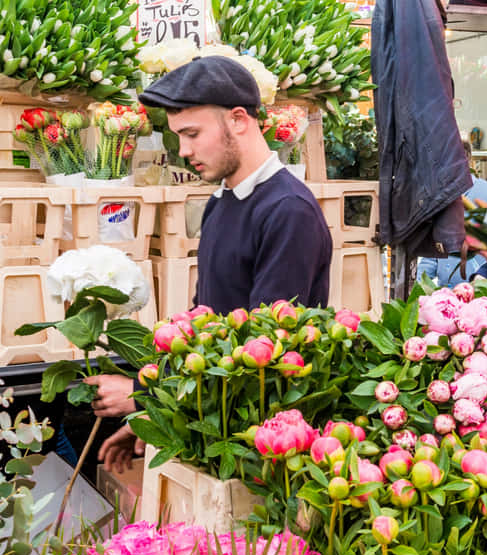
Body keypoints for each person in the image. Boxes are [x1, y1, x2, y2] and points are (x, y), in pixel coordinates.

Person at [90, 55, 333, 473]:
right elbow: (205, 327)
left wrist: (142, 394)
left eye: (192, 134)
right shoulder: (221, 203)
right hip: (217, 426)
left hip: (256, 446)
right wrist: (155, 414)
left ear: (238, 119)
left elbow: (262, 354)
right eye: (179, 137)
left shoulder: (288, 211)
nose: (184, 151)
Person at [417, 141, 487, 287]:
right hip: (446, 293)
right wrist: (419, 286)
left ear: (467, 160)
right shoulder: (437, 198)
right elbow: (433, 252)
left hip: (481, 292)